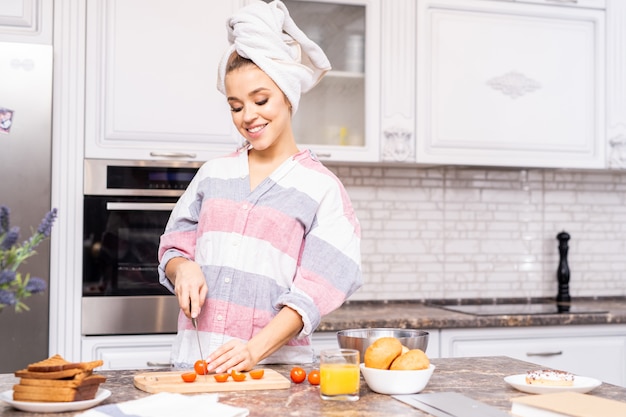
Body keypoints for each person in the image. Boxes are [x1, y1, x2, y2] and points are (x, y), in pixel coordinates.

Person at [157, 0, 362, 373]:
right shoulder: (213, 174)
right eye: (236, 106)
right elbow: (174, 246)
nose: (248, 116)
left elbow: (316, 291)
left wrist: (253, 351)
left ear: (287, 95)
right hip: (195, 365)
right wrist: (181, 268)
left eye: (261, 100)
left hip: (274, 373)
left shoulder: (321, 188)